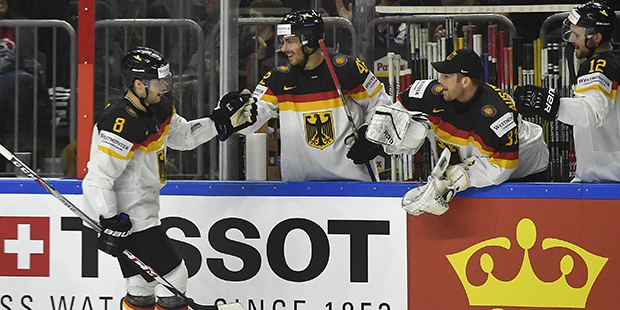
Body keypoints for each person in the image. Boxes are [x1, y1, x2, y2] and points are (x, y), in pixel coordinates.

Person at [82, 47, 255, 310]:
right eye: (158, 81)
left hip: (145, 210)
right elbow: (98, 178)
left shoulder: (158, 108)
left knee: (141, 286)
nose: (164, 86)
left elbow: (184, 136)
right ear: (139, 84)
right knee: (174, 276)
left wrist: (219, 122)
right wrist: (109, 219)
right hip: (129, 218)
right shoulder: (120, 120)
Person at [368, 48, 549, 215]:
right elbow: (396, 111)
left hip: (524, 169)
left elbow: (504, 166)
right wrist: (375, 141)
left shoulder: (497, 116)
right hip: (476, 164)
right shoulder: (431, 95)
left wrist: (453, 180)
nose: (440, 81)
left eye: (447, 76)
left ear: (465, 81)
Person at [239, 9, 393, 181]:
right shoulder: (278, 78)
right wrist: (235, 111)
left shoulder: (348, 69)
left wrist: (372, 136)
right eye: (282, 42)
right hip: (300, 190)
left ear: (310, 41)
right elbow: (249, 122)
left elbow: (383, 104)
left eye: (290, 41)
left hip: (353, 185)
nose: (284, 49)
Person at [513, 0, 619, 182]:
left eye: (577, 35)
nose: (571, 39)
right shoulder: (613, 58)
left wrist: (547, 102)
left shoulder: (599, 66)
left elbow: (590, 113)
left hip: (606, 178)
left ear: (597, 38)